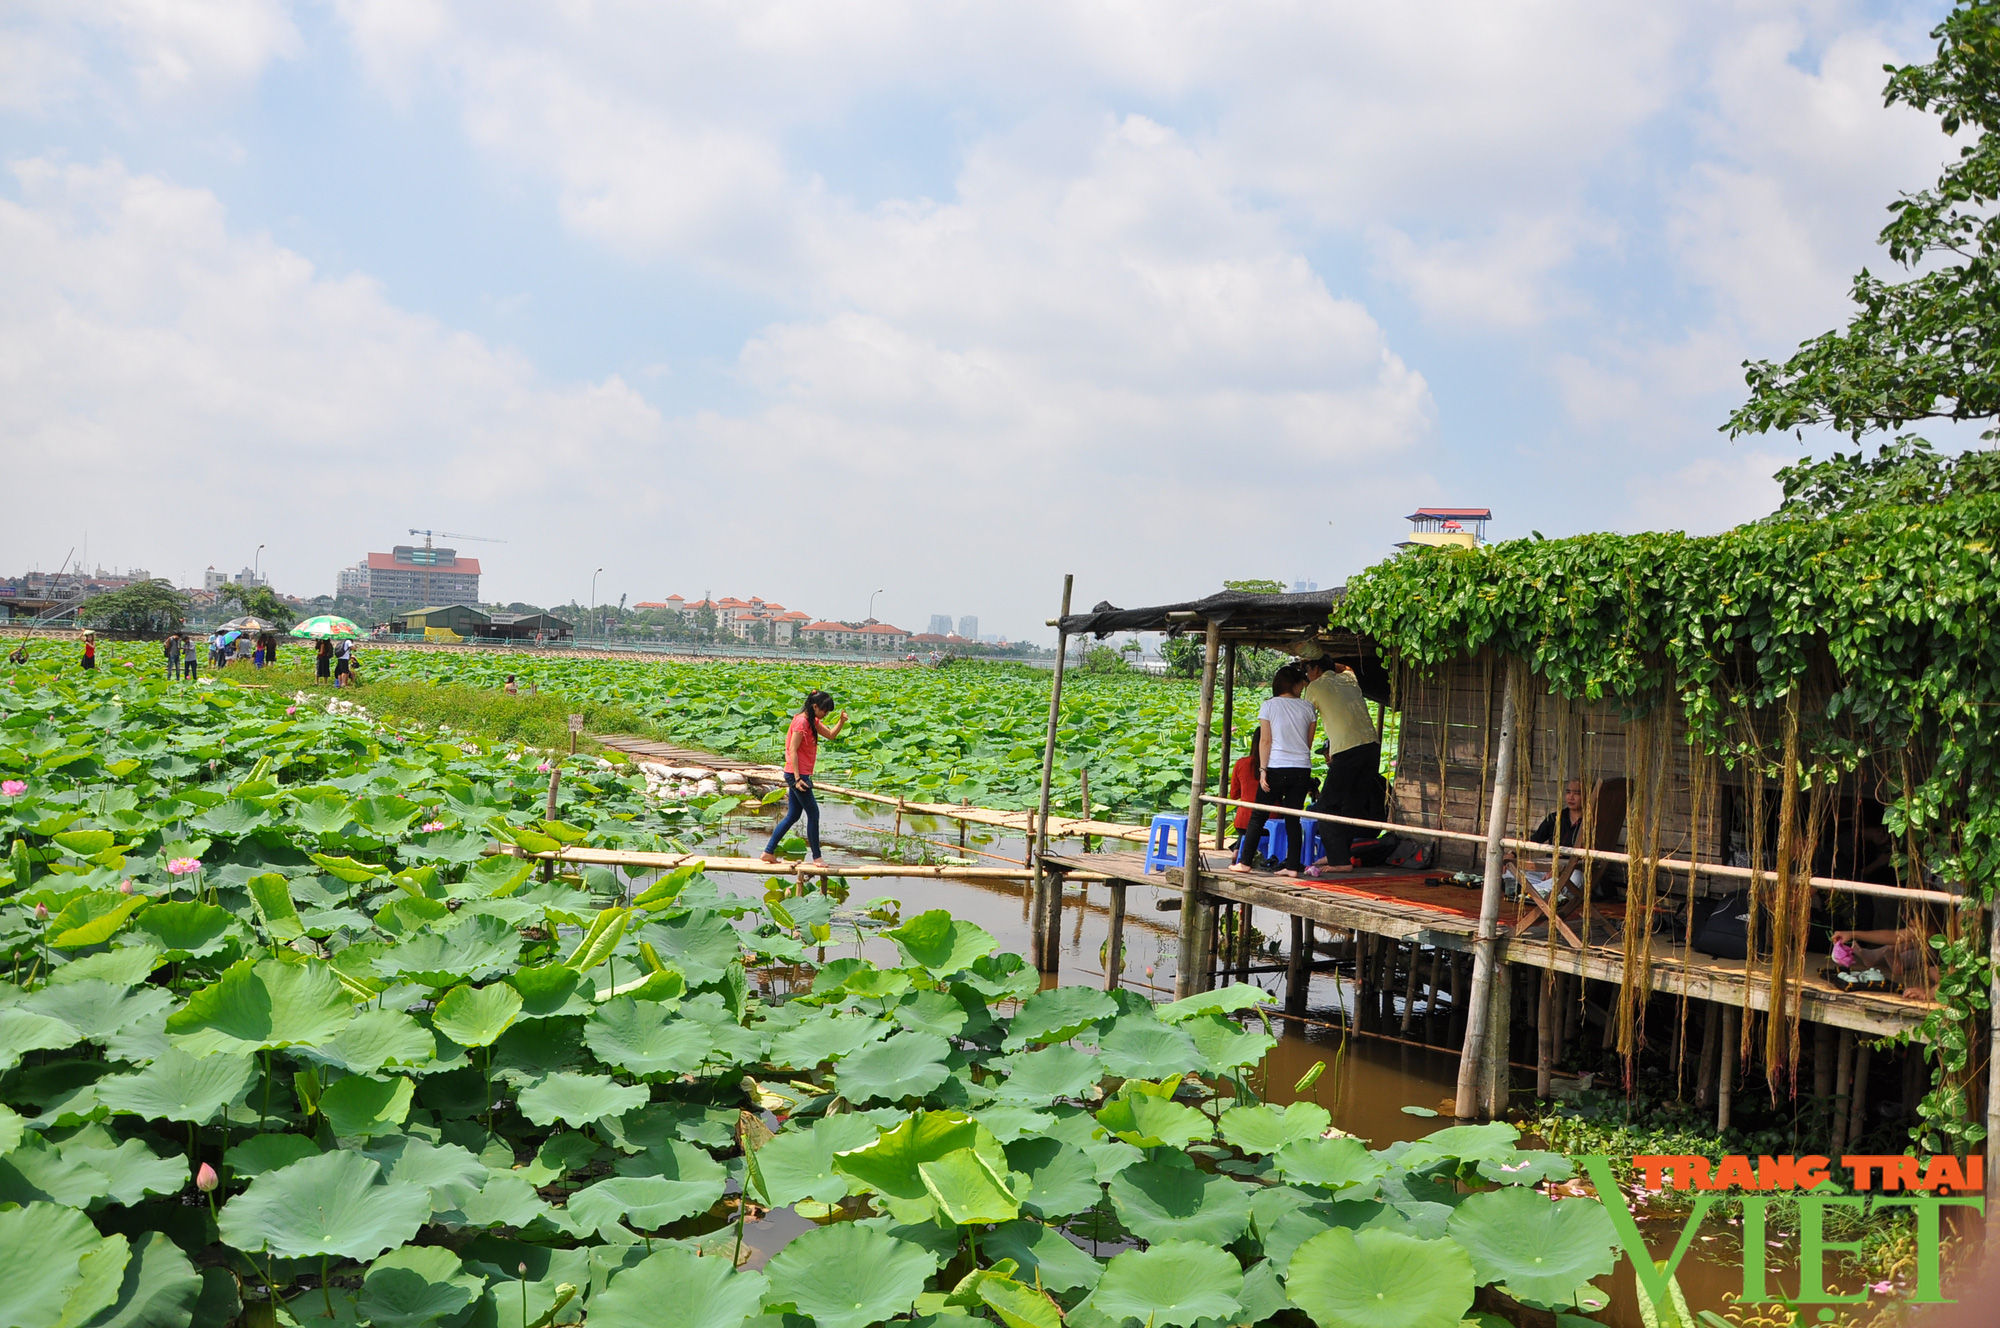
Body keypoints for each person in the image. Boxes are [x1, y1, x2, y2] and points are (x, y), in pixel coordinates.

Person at [1231, 666, 1316, 877]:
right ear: (1295, 684)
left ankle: (1245, 862)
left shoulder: (1269, 706)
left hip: (1277, 766)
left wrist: (1262, 770)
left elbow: (1265, 740)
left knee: (1258, 816)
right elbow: (1308, 742)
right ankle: (1293, 866)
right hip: (1301, 767)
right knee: (1293, 817)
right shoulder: (1308, 708)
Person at [1300, 654, 1378, 874]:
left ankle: (1339, 860)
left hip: (1347, 748)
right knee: (1351, 805)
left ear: (1315, 670)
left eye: (1308, 670)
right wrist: (1324, 664)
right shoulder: (1349, 678)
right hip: (1371, 747)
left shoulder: (1314, 687)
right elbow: (1348, 667)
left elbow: (1307, 715)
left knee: (1326, 805)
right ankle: (1340, 856)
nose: (1306, 675)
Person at [759, 690, 848, 866]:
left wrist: (841, 721)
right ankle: (817, 857)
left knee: (793, 815)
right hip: (796, 774)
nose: (825, 715)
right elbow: (793, 749)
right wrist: (798, 779)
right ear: (815, 706)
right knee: (813, 814)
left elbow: (830, 735)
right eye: (824, 711)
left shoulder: (812, 721)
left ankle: (768, 852)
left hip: (800, 774)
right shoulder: (800, 722)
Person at [1229, 738, 1263, 866]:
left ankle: (1237, 849)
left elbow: (1234, 795)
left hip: (1242, 821)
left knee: (1249, 827)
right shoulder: (1275, 766)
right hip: (1270, 821)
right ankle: (1238, 849)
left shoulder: (1241, 763)